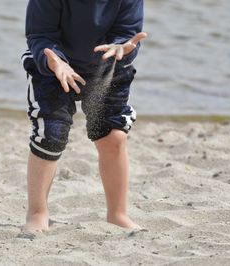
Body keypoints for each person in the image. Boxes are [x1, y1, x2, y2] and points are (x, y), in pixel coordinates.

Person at [21, 0, 147, 232]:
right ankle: (37, 213)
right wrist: (54, 61)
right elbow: (40, 35)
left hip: (107, 63)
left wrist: (121, 47)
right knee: (51, 133)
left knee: (113, 135)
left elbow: (128, 34)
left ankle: (117, 214)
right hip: (53, 65)